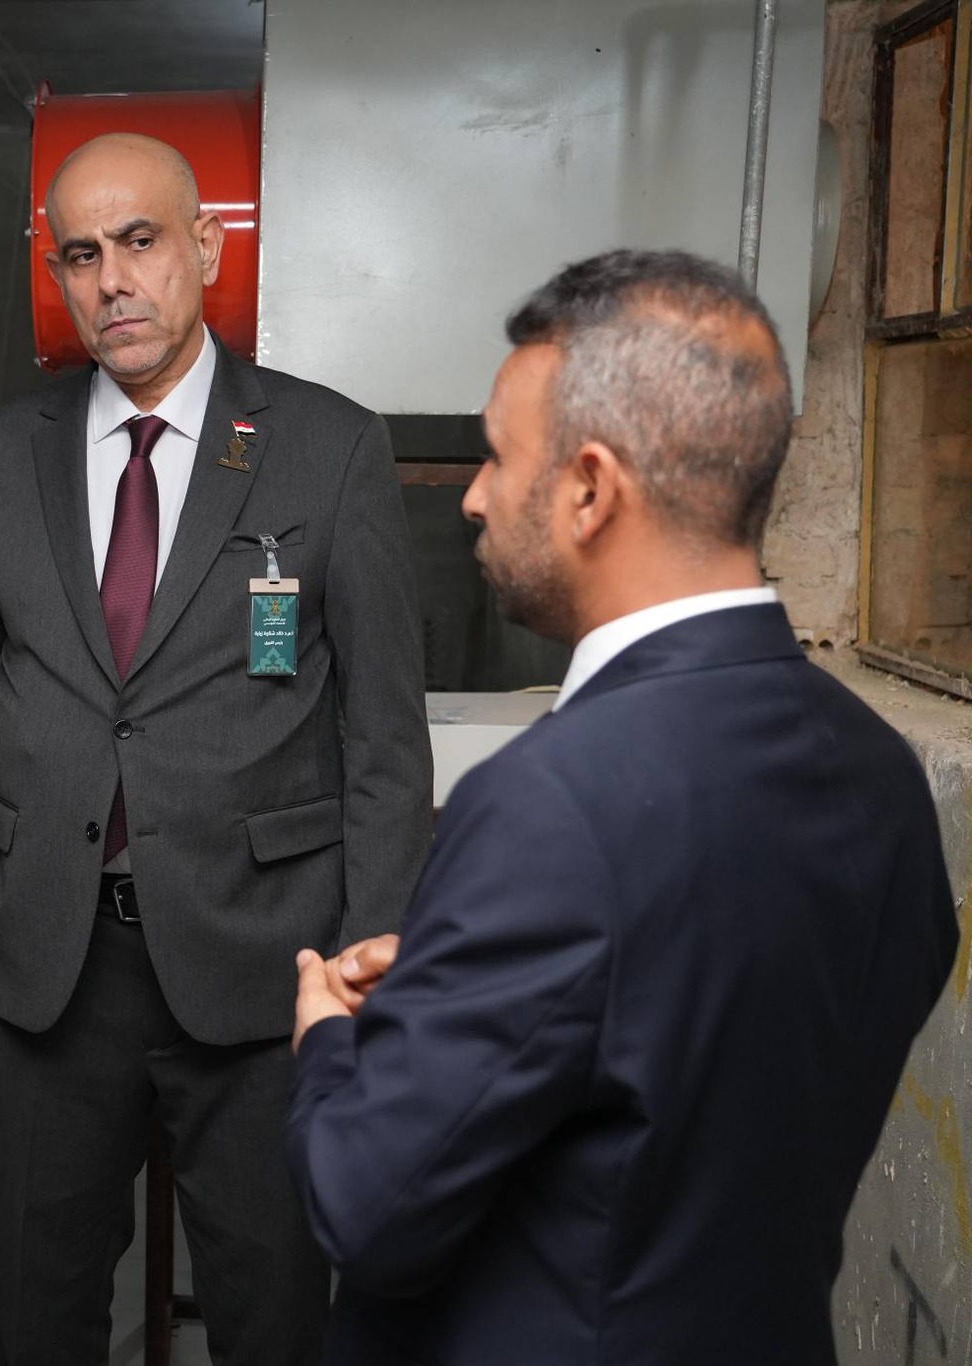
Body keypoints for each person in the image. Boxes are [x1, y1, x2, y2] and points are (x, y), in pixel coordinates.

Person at [285, 250, 959, 1365]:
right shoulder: (879, 773)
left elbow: (367, 1204)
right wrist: (465, 979)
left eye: (498, 456)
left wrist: (332, 1044)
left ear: (590, 489)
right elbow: (694, 1029)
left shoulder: (547, 805)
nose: (472, 495)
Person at [0, 132, 433, 1364]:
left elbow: (381, 736)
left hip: (266, 960)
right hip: (46, 964)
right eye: (80, 254)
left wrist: (370, 957)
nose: (111, 280)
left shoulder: (325, 446)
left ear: (206, 246)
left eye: (138, 241)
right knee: (40, 1316)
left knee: (272, 1312)